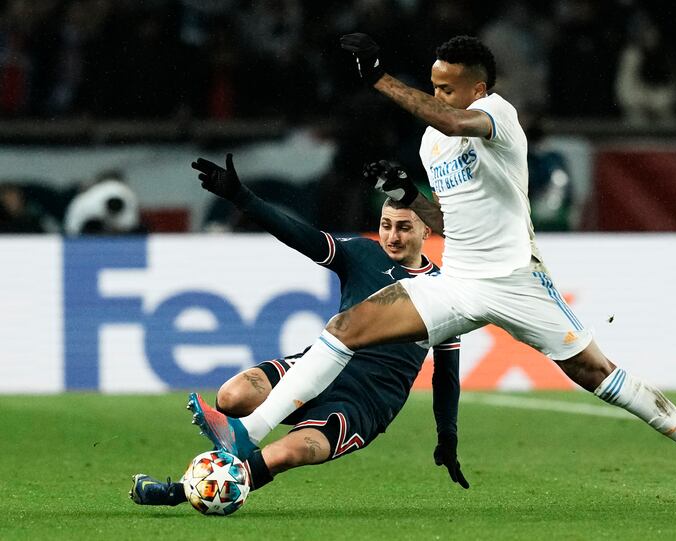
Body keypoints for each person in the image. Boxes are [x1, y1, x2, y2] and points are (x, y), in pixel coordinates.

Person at [189, 35, 676, 511]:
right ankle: (249, 433)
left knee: (598, 375)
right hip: (458, 284)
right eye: (433, 83)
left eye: (446, 86)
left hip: (517, 281)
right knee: (346, 327)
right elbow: (454, 214)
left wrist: (382, 80)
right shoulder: (431, 145)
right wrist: (407, 195)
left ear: (478, 88)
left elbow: (452, 120)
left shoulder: (496, 115)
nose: (438, 94)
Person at [130, 154, 466, 506]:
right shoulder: (362, 254)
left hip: (363, 403)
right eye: (385, 225)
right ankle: (223, 465)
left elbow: (446, 374)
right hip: (313, 369)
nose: (392, 237)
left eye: (404, 227)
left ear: (427, 230)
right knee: (232, 396)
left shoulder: (444, 291)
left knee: (285, 453)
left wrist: (448, 434)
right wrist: (241, 196)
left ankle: (181, 492)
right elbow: (299, 235)